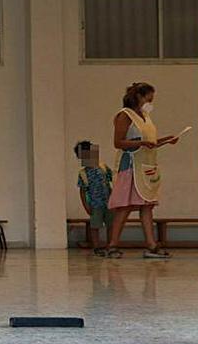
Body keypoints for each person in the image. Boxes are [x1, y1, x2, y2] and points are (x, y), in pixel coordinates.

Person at [105, 83, 178, 259]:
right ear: (139, 96)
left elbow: (149, 142)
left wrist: (166, 140)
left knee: (147, 206)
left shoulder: (145, 116)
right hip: (130, 166)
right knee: (125, 206)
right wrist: (141, 143)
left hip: (147, 167)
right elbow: (118, 142)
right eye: (149, 98)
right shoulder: (125, 115)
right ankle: (112, 245)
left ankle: (151, 246)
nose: (151, 102)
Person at [74, 141, 114, 256]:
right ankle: (96, 247)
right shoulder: (83, 173)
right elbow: (82, 191)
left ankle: (110, 245)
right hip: (94, 204)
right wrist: (86, 206)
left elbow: (112, 181)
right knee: (95, 226)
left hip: (108, 202)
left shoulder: (103, 167)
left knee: (110, 224)